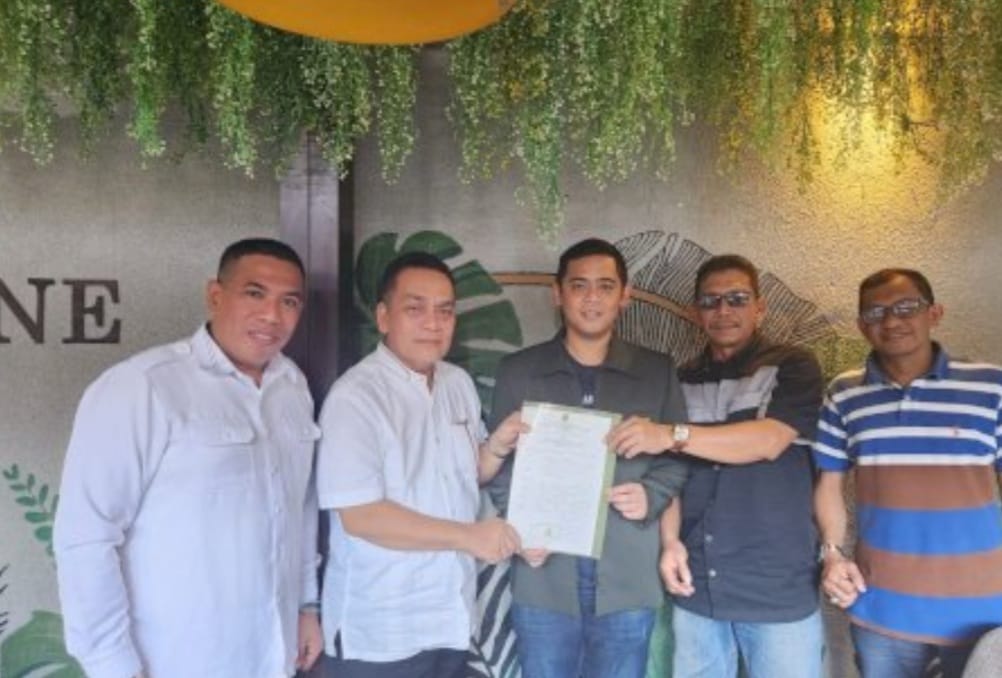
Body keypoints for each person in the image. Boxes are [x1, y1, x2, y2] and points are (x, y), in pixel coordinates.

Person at [54, 238, 323, 678]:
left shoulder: (292, 387)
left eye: (289, 301)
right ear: (215, 295)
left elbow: (300, 509)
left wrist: (306, 606)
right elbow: (87, 536)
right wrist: (112, 665)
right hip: (176, 658)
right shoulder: (143, 386)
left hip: (271, 654)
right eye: (255, 293)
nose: (272, 315)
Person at [608, 254, 825, 678]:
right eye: (710, 301)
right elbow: (670, 473)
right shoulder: (682, 379)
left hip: (776, 582)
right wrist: (670, 542)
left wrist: (671, 433)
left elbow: (768, 441)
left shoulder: (792, 365)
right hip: (698, 579)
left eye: (737, 299)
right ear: (695, 312)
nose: (723, 310)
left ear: (760, 307)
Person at [488, 238, 689, 678]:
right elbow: (497, 464)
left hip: (626, 574)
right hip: (543, 576)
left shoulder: (656, 371)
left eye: (605, 286)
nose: (592, 298)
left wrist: (651, 494)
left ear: (625, 295)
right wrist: (520, 524)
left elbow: (677, 456)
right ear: (557, 294)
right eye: (579, 286)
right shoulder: (519, 370)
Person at [316, 251, 523, 678]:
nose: (433, 323)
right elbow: (361, 516)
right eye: (415, 308)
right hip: (381, 631)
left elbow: (468, 475)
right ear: (383, 316)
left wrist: (498, 447)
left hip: (450, 617)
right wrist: (470, 536)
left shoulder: (456, 383)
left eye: (445, 311)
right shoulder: (356, 397)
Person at [814, 268, 1002, 678]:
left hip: (984, 610)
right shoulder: (844, 394)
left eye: (906, 307)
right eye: (875, 312)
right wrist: (832, 554)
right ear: (862, 326)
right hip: (882, 608)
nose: (891, 321)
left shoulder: (991, 386)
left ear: (934, 313)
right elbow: (829, 485)